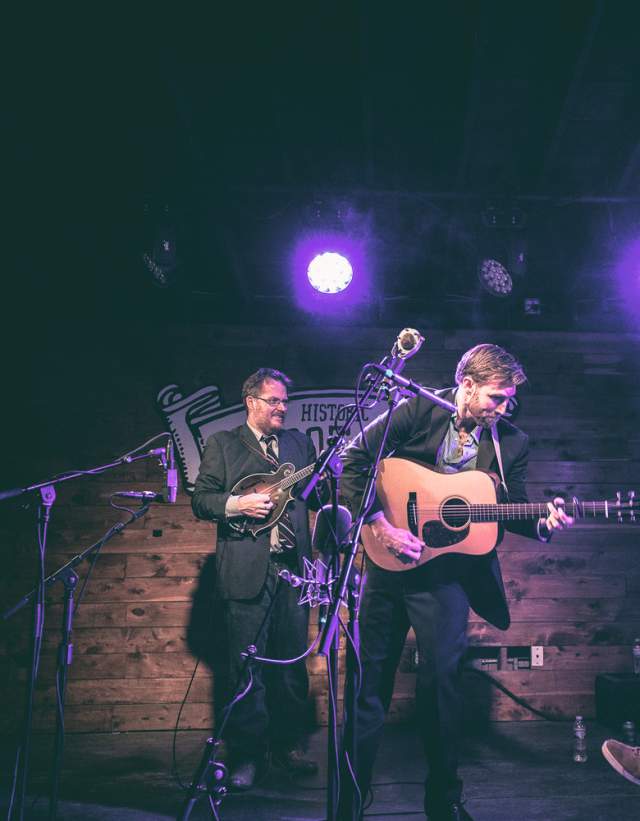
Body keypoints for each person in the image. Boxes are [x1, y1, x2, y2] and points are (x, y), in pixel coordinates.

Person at [339, 344, 574, 821]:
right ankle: (349, 797)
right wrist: (380, 525)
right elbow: (354, 460)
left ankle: (444, 800)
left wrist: (544, 524)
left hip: (447, 577)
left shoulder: (512, 442)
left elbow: (515, 507)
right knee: (368, 686)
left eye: (509, 399)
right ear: (466, 386)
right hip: (386, 569)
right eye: (496, 397)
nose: (503, 408)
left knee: (443, 686)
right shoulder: (418, 409)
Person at [192, 367, 321, 791]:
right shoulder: (224, 444)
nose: (283, 406)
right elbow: (201, 500)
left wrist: (333, 470)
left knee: (289, 667)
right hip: (246, 570)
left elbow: (314, 495)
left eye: (286, 399)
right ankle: (247, 755)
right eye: (274, 400)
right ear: (251, 402)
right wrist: (236, 504)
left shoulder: (299, 443)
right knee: (246, 668)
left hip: (292, 572)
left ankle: (286, 747)